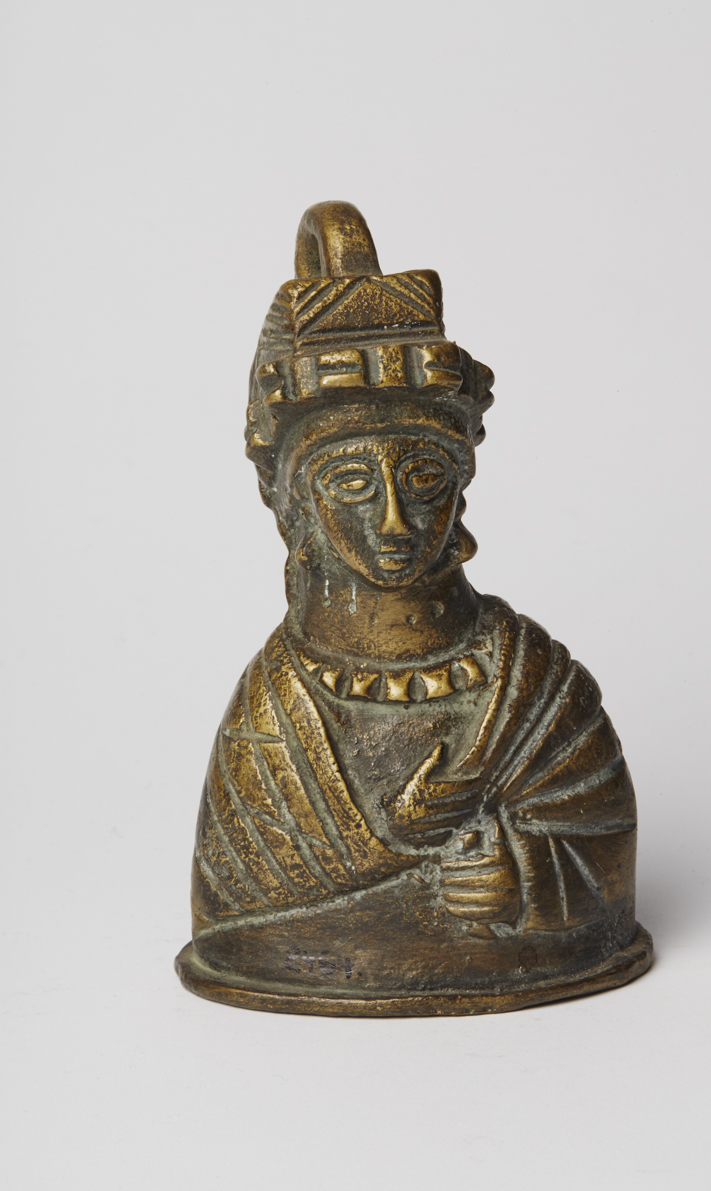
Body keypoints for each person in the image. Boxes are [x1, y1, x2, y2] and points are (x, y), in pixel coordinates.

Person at [177, 202, 651, 1013]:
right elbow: (237, 920)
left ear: (460, 488)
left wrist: (519, 878)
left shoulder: (532, 687)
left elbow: (602, 847)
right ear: (297, 507)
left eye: (424, 476)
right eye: (352, 482)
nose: (394, 521)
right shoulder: (272, 711)